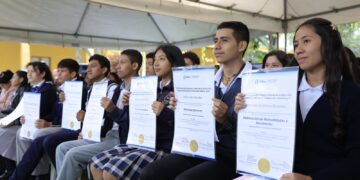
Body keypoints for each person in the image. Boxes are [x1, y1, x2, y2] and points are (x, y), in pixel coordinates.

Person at [235, 18, 360, 180]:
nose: (298, 50)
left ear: (328, 44)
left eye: (306, 41)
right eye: (295, 44)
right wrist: (247, 111)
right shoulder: (280, 91)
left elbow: (356, 161)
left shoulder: (352, 96)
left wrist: (310, 179)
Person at [140, 21, 253, 180]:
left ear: (241, 45)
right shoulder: (205, 81)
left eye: (224, 40)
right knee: (150, 172)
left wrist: (225, 118)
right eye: (215, 40)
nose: (217, 46)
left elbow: (258, 129)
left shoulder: (255, 82)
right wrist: (178, 111)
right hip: (201, 148)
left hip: (234, 155)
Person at [89, 44, 185, 180]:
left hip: (163, 147)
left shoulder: (180, 89)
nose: (156, 63)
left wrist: (164, 112)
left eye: (162, 59)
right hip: (142, 142)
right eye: (155, 59)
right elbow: (135, 121)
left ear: (174, 62)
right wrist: (129, 106)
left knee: (111, 172)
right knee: (96, 164)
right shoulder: (150, 88)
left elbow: (184, 123)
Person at [55, 52, 140, 180]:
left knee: (71, 154)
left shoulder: (128, 88)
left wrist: (112, 111)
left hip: (119, 137)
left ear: (134, 66)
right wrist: (86, 129)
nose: (118, 66)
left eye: (122, 63)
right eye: (117, 63)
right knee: (61, 148)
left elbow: (121, 121)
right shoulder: (118, 89)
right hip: (106, 134)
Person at [9, 59, 87, 179]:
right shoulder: (61, 89)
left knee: (40, 137)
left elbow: (75, 116)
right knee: (24, 133)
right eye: (58, 71)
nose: (58, 73)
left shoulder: (81, 89)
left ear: (73, 74)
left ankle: (36, 175)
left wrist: (50, 122)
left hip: (72, 128)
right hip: (58, 125)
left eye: (63, 71)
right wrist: (40, 120)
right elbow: (53, 113)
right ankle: (25, 174)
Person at [0, 70, 28, 179]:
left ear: (21, 79)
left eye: (14, 77)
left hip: (18, 123)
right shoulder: (18, 90)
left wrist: (6, 120)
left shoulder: (23, 90)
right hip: (12, 120)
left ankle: (9, 169)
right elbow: (11, 110)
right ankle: (7, 168)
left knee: (3, 133)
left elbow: (18, 111)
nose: (11, 79)